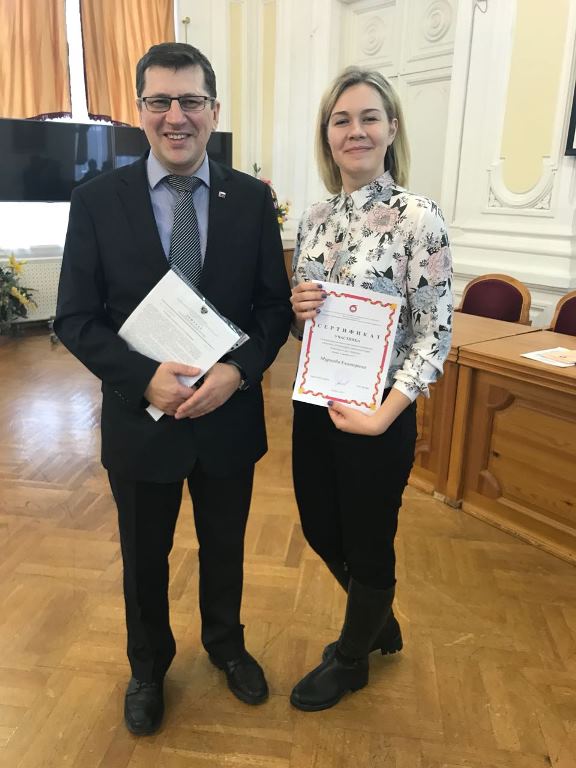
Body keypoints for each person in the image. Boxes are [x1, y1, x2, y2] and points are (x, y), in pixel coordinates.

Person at [55, 42, 291, 735]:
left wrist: (239, 371)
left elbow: (273, 309)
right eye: (159, 101)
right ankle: (148, 667)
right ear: (140, 111)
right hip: (140, 421)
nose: (175, 116)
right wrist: (143, 380)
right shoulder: (96, 202)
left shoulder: (253, 200)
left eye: (190, 101)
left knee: (226, 546)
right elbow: (75, 317)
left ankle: (226, 646)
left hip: (228, 417)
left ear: (214, 110)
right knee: (143, 559)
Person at [289, 66, 452, 711]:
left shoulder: (420, 220)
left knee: (368, 539)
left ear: (391, 129)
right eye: (341, 120)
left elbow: (433, 335)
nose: (355, 131)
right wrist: (300, 310)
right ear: (327, 136)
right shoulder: (314, 219)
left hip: (379, 415)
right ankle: (378, 621)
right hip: (316, 402)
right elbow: (307, 322)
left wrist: (385, 415)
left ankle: (353, 658)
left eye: (368, 118)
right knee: (318, 528)